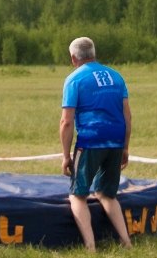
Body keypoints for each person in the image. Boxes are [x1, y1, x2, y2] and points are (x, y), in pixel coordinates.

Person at [59, 36, 131, 252]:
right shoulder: (116, 77)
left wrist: (66, 156)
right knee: (107, 194)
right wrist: (125, 147)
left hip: (91, 139)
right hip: (116, 138)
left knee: (78, 194)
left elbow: (67, 121)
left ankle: (90, 247)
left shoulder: (74, 79)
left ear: (74, 58)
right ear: (93, 53)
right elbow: (127, 116)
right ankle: (126, 242)